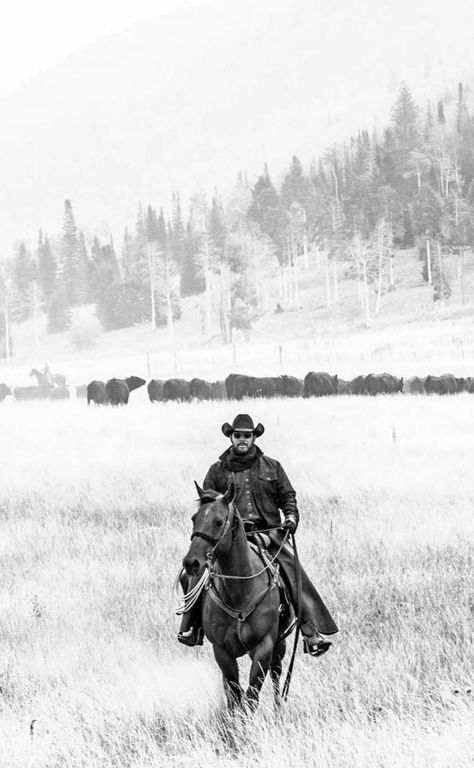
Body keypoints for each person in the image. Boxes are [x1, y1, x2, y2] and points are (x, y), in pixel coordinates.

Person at [178, 413, 338, 657]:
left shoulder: (272, 466)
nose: (242, 439)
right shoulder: (217, 470)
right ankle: (193, 627)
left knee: (292, 569)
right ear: (231, 438)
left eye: (247, 435)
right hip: (228, 537)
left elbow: (287, 496)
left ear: (254, 437)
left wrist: (291, 517)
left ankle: (310, 630)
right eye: (237, 435)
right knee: (192, 570)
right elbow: (208, 504)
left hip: (269, 533)